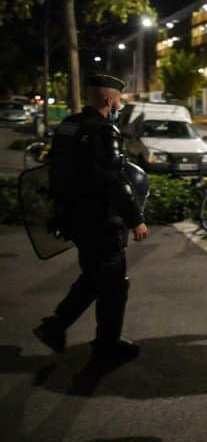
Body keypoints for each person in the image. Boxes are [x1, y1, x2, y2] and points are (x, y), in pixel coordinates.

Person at [33, 74, 150, 364]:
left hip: (74, 218)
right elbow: (114, 177)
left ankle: (57, 325)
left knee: (94, 277)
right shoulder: (104, 131)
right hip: (101, 221)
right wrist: (135, 218)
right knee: (114, 284)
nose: (119, 106)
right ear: (109, 99)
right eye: (119, 100)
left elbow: (55, 169)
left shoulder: (69, 125)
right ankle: (105, 345)